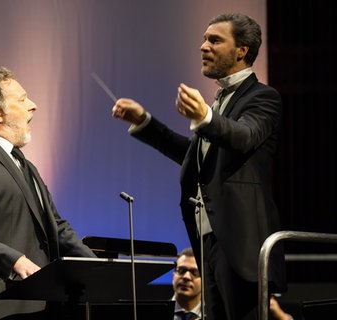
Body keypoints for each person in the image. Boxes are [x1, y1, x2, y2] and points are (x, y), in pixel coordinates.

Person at [111, 13, 286, 320]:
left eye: (215, 40)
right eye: (204, 39)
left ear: (241, 50)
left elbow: (243, 137)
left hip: (242, 245)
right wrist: (144, 123)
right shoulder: (219, 104)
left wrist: (205, 116)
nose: (203, 47)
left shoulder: (263, 98)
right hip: (209, 242)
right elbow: (194, 157)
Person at [0, 66, 97, 320]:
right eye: (22, 99)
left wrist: (95, 268)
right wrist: (14, 260)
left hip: (32, 304)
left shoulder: (25, 165)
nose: (33, 105)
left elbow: (57, 227)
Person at [173, 248, 202, 320]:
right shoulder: (154, 313)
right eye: (181, 270)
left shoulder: (216, 315)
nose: (186, 277)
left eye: (194, 272)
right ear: (173, 275)